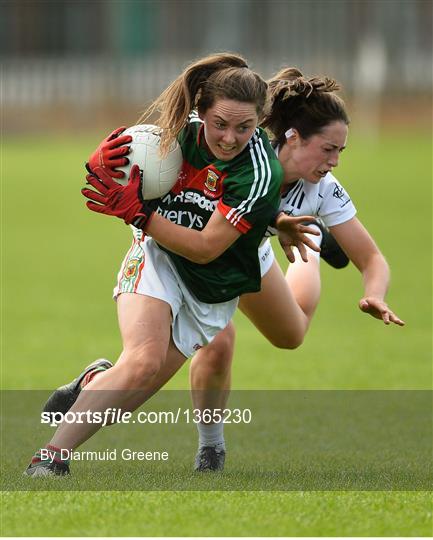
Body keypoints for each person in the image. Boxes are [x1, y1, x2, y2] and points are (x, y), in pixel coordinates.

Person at [25, 54, 317, 476]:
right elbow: (117, 168)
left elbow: (204, 248)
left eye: (244, 127)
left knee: (131, 390)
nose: (231, 138)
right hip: (158, 258)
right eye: (220, 123)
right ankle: (50, 459)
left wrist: (141, 214)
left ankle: (92, 384)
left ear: (261, 121)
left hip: (210, 288)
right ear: (201, 112)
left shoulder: (259, 171)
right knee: (140, 361)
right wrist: (104, 160)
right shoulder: (178, 136)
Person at [188, 67, 405, 470]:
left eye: (341, 151)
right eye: (328, 149)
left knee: (292, 334)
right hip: (191, 249)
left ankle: (313, 236)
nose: (336, 161)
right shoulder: (244, 151)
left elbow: (372, 258)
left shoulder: (322, 188)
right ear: (292, 137)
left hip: (247, 252)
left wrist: (375, 293)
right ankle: (211, 446)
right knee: (215, 342)